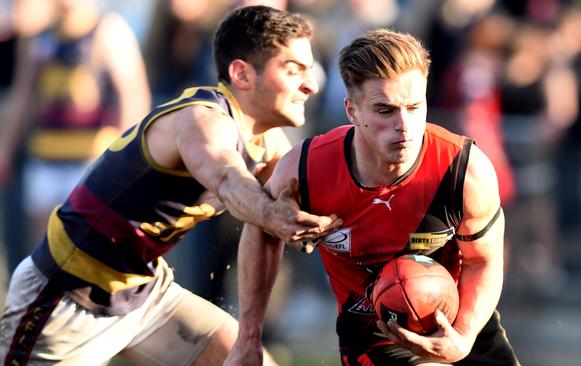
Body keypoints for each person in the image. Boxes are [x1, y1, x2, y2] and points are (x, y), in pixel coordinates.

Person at [0, 5, 340, 365]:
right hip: (67, 297)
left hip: (143, 292)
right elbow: (228, 179)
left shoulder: (267, 142)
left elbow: (319, 195)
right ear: (241, 73)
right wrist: (274, 215)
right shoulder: (202, 120)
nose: (311, 84)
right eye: (293, 70)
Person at [225, 29, 520, 365]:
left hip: (459, 318)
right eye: (385, 110)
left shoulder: (463, 170)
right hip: (373, 331)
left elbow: (483, 260)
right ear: (352, 111)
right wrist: (248, 337)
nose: (405, 126)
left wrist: (465, 336)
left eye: (414, 106)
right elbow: (260, 232)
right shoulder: (306, 169)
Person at [0, 0, 150, 268]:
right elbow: (23, 96)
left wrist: (130, 158)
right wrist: (5, 149)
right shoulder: (41, 37)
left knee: (91, 251)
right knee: (45, 253)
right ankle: (50, 309)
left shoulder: (108, 30)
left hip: (90, 162)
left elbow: (133, 95)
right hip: (45, 158)